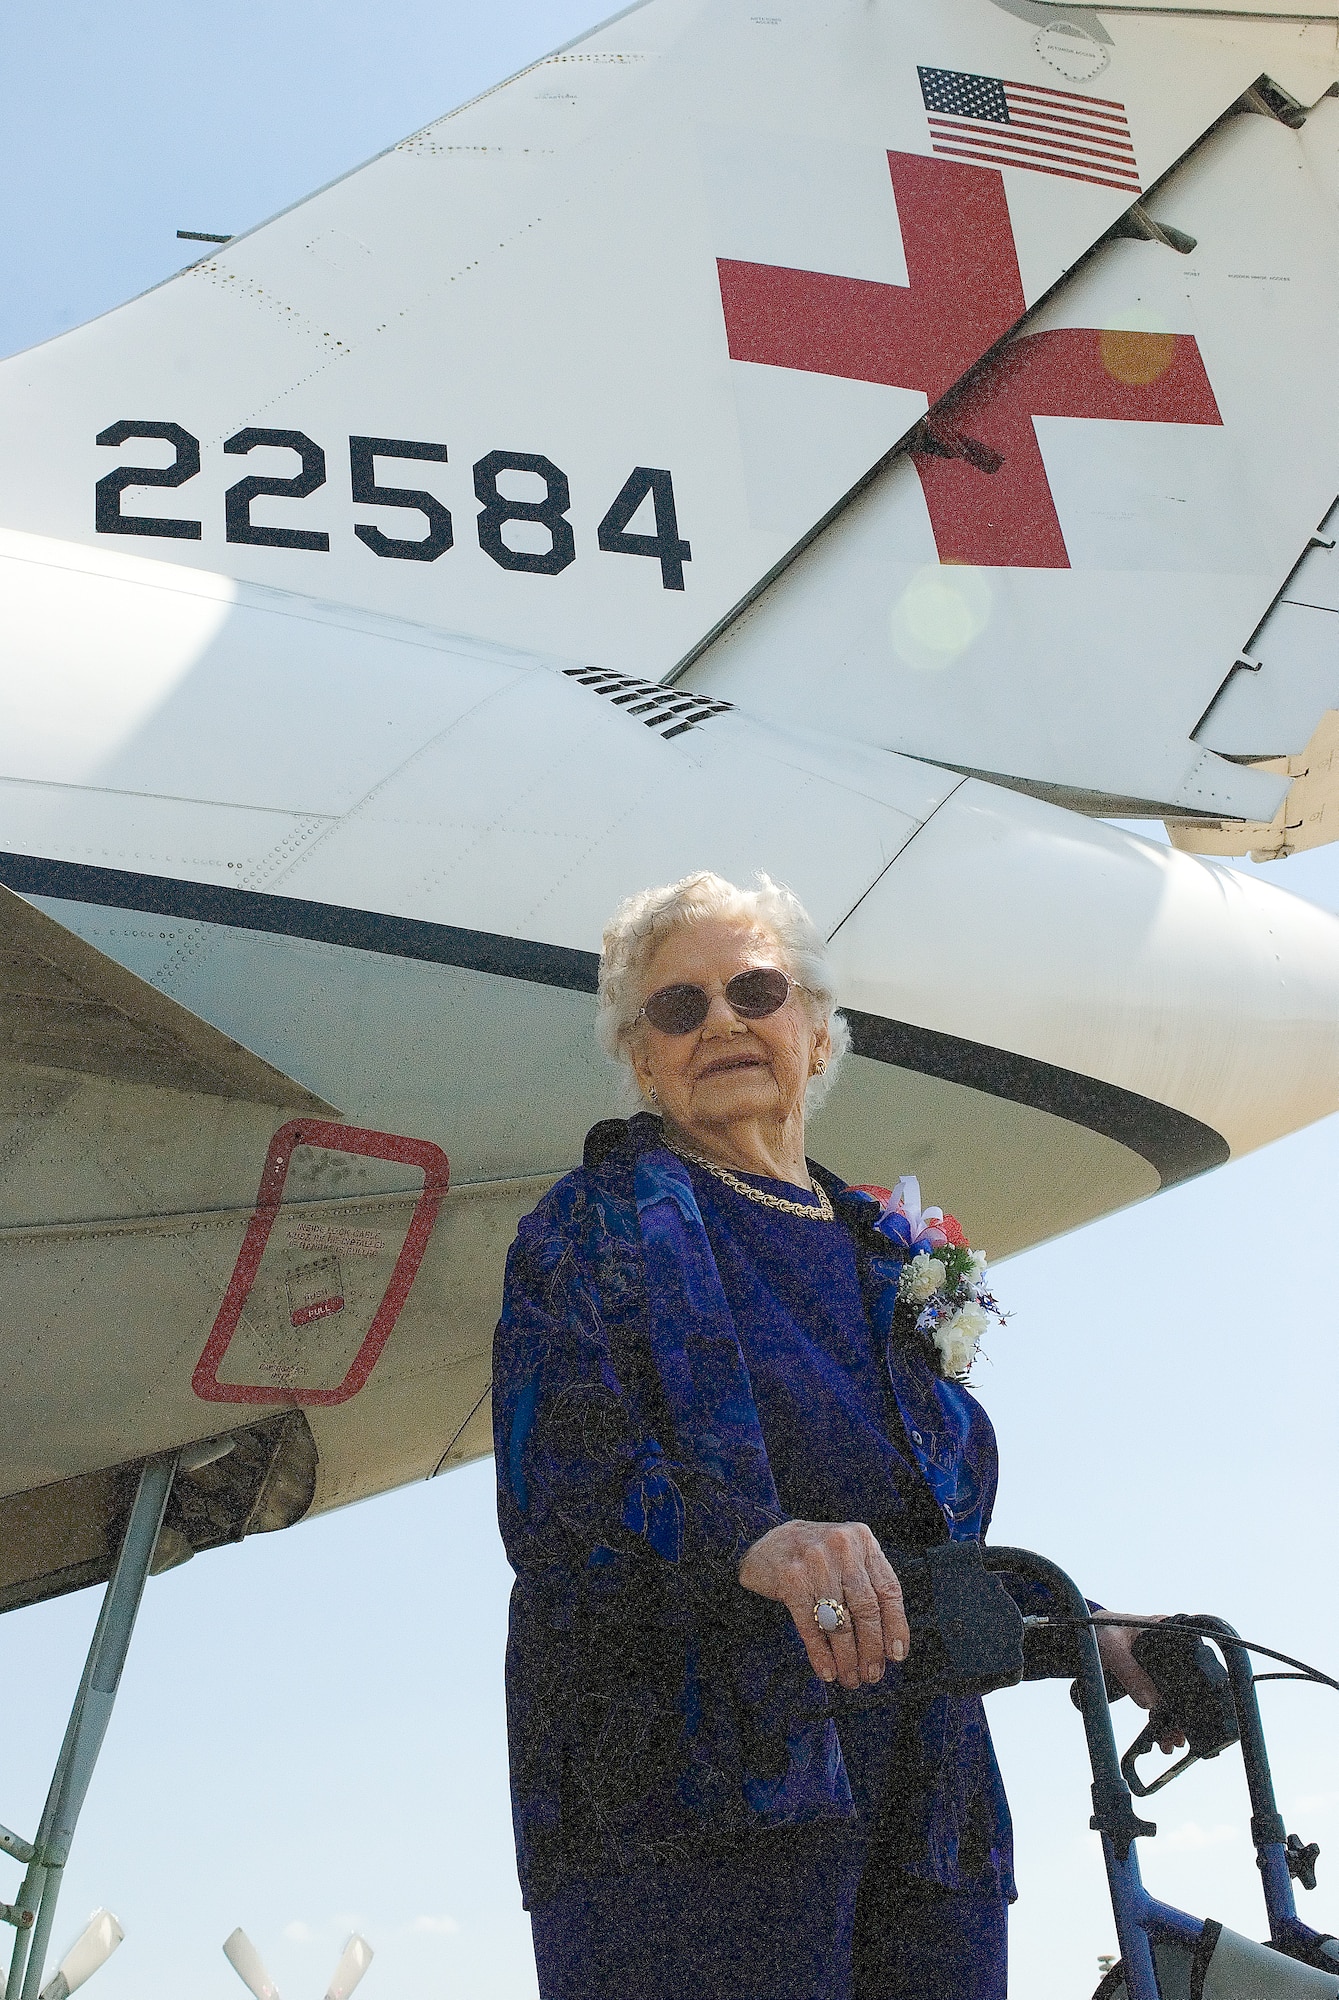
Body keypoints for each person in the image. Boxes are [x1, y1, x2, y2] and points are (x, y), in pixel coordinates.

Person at [493, 871, 1172, 2000]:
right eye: (677, 1007)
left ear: (813, 1031)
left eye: (753, 988)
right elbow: (555, 1489)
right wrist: (748, 1540)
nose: (719, 1020)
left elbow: (925, 1529)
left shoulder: (882, 1253)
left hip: (926, 1806)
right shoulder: (594, 1224)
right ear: (642, 1058)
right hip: (690, 1811)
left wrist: (1085, 1624)